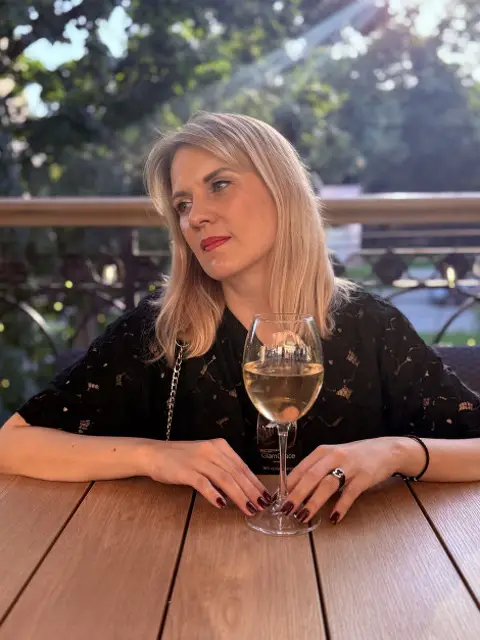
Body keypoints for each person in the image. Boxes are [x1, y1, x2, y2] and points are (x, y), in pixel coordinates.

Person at [1, 112, 480, 526]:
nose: (195, 218)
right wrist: (153, 456)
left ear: (282, 190)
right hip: (186, 575)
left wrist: (395, 452)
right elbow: (12, 445)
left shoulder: (371, 326)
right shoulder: (158, 332)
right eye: (183, 204)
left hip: (354, 575)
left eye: (219, 185)